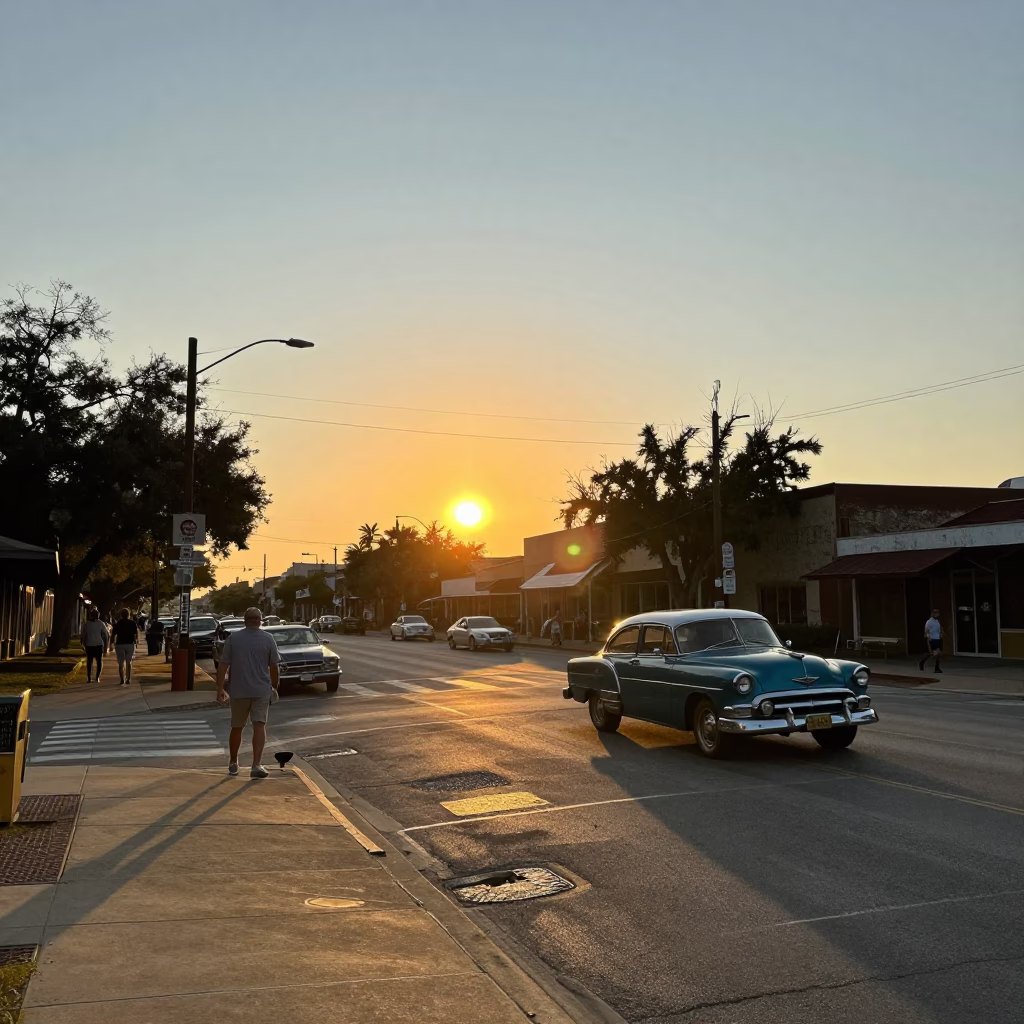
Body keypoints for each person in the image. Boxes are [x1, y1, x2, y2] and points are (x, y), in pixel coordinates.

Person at [216, 606, 281, 778]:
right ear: (260, 620)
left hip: (239, 690)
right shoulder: (268, 638)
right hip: (261, 690)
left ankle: (233, 762)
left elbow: (223, 664)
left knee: (237, 727)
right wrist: (274, 685)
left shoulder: (234, 638)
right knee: (259, 725)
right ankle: (256, 765)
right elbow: (274, 666)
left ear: (245, 620)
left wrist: (220, 688)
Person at [110, 609, 139, 685]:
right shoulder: (132, 623)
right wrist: (136, 642)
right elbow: (135, 634)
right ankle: (128, 679)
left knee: (120, 663)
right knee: (129, 662)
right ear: (128, 615)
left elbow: (113, 634)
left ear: (121, 615)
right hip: (130, 644)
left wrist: (111, 643)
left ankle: (122, 679)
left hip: (120, 644)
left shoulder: (118, 623)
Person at [81, 608, 109, 683]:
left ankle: (89, 677)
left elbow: (83, 636)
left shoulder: (87, 624)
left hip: (89, 644)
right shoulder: (101, 623)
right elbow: (106, 635)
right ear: (98, 615)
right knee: (99, 661)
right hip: (98, 645)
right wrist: (106, 647)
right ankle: (97, 677)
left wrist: (84, 644)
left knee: (89, 662)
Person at [919, 609, 944, 673]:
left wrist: (941, 634)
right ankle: (923, 661)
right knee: (937, 653)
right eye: (937, 613)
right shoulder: (929, 622)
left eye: (938, 613)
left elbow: (939, 629)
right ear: (933, 614)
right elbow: (926, 631)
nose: (938, 614)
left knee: (938, 654)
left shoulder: (937, 621)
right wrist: (928, 637)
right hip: (932, 639)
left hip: (938, 638)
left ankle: (936, 668)